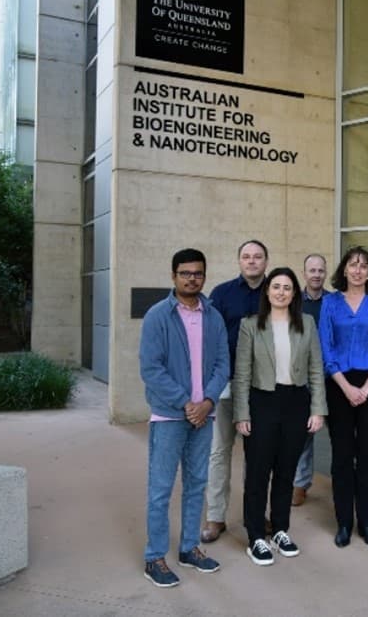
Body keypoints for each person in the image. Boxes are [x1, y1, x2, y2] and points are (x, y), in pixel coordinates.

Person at [139, 248, 230, 588]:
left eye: (198, 273)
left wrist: (206, 401)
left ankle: (189, 548)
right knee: (161, 489)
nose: (192, 278)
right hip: (169, 417)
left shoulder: (213, 316)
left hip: (203, 416)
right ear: (173, 275)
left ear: (205, 275)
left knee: (196, 485)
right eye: (185, 273)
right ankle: (154, 557)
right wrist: (186, 404)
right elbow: (151, 368)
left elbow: (223, 363)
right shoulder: (157, 316)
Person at [233, 267, 327, 566]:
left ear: (294, 294)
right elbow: (242, 374)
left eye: (287, 288)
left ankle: (281, 529)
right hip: (262, 402)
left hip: (296, 402)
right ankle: (256, 536)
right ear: (267, 291)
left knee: (286, 473)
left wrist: (317, 409)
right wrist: (242, 413)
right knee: (258, 473)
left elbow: (315, 369)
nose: (281, 292)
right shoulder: (251, 325)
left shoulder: (307, 323)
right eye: (276, 287)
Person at [319, 245, 368, 548]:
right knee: (341, 456)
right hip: (339, 385)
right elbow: (325, 346)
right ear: (344, 269)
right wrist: (347, 387)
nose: (358, 270)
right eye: (353, 264)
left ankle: (366, 520)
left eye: (364, 265)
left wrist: (366, 387)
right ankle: (343, 522)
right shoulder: (330, 303)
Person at [202, 240, 269, 544]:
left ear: (265, 261)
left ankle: (255, 515)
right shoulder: (221, 293)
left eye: (257, 257)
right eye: (246, 256)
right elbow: (209, 338)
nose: (252, 261)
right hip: (227, 385)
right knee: (219, 452)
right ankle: (216, 517)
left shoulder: (277, 291)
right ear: (239, 261)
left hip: (262, 388)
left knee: (259, 457)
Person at [292, 253, 330, 507]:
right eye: (311, 270)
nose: (316, 274)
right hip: (303, 377)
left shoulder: (334, 302)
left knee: (339, 433)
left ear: (325, 273)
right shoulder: (294, 303)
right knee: (303, 433)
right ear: (304, 273)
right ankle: (300, 484)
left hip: (332, 376)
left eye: (320, 270)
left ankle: (342, 481)